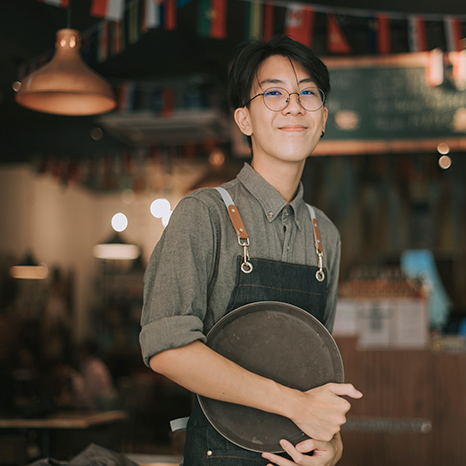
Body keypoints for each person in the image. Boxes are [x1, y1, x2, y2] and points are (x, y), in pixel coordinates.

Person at [139, 34, 362, 466]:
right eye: (274, 93)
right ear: (244, 119)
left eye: (308, 94)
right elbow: (167, 349)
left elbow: (316, 368)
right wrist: (295, 405)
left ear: (323, 118)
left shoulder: (325, 235)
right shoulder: (202, 214)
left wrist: (333, 446)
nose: (293, 106)